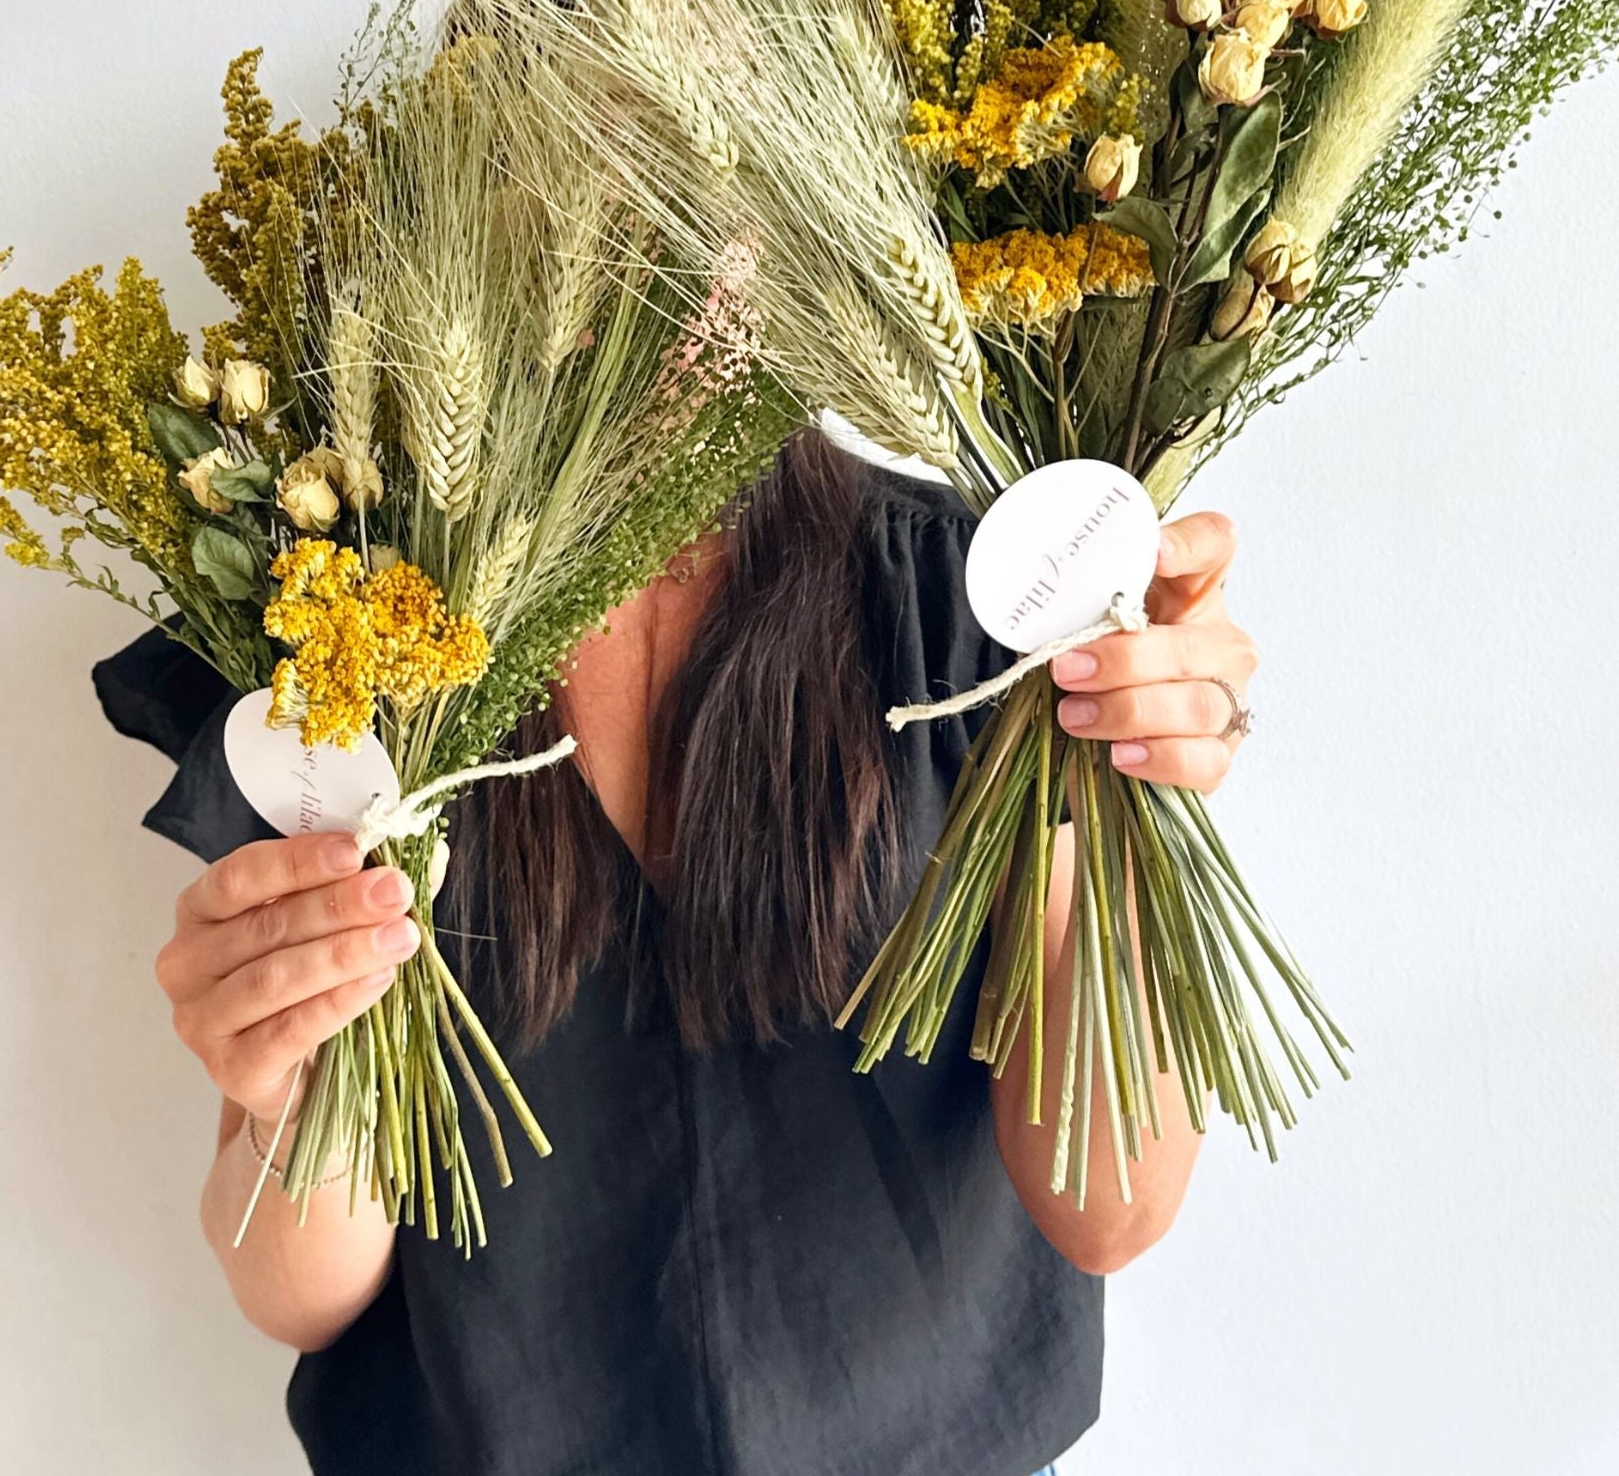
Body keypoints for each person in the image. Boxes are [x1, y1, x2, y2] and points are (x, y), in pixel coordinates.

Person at [97, 431, 1258, 1476]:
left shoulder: (972, 590)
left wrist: (1126, 779)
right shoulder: (341, 651)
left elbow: (1107, 1208)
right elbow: (299, 1297)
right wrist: (279, 1088)